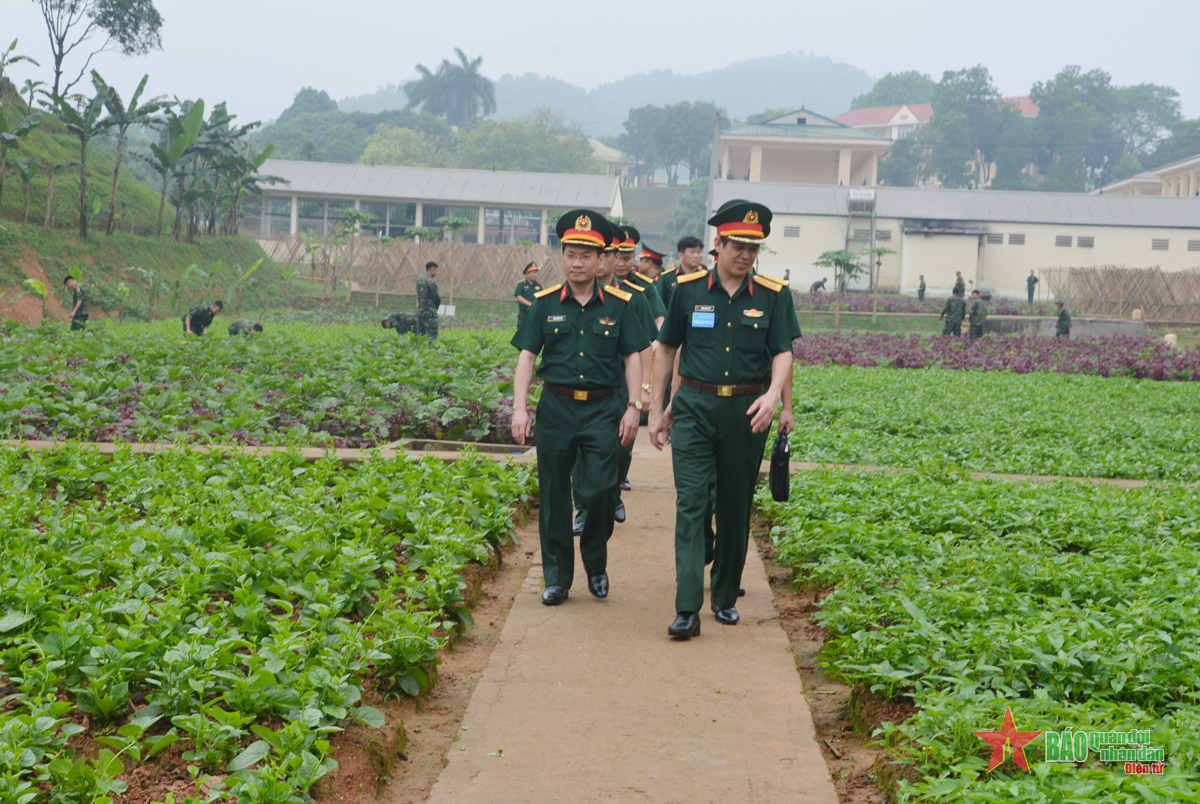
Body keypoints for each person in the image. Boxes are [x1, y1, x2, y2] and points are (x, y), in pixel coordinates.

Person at [648, 199, 800, 639]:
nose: (746, 255)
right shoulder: (688, 290)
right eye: (738, 245)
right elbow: (666, 349)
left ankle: (726, 595)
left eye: (754, 247)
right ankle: (686, 608)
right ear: (719, 243)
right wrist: (657, 410)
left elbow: (784, 352)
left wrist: (775, 397)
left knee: (734, 506)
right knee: (691, 504)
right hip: (694, 407)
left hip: (747, 413)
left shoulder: (774, 295)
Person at [511, 210, 649, 606]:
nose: (577, 262)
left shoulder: (620, 305)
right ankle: (557, 578)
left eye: (586, 255)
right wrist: (520, 408)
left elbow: (633, 356)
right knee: (554, 494)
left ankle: (596, 562)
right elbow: (526, 357)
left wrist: (634, 406)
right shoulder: (544, 303)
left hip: (603, 409)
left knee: (603, 490)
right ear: (563, 256)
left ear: (600, 259)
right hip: (556, 407)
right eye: (570, 254)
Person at [660, 235, 704, 311]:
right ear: (681, 255)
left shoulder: (704, 278)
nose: (696, 256)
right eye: (692, 252)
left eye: (699, 252)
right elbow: (660, 306)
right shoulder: (667, 278)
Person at [513, 262, 543, 328]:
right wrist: (530, 304)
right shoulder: (521, 284)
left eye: (536, 272)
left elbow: (542, 299)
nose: (536, 275)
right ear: (528, 274)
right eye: (534, 272)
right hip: (524, 314)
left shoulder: (539, 286)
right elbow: (519, 297)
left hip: (535, 315)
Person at [416, 261, 440, 339]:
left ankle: (420, 350)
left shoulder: (419, 281)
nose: (436, 272)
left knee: (421, 335)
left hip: (420, 313)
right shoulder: (431, 281)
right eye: (435, 270)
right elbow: (435, 297)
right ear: (432, 269)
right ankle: (430, 350)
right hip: (430, 313)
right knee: (431, 336)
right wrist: (436, 306)